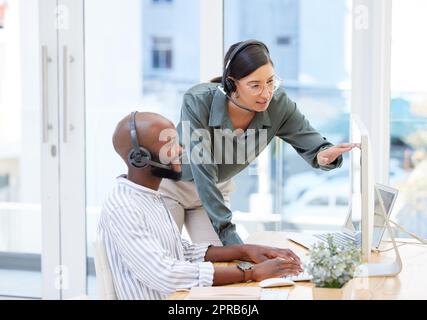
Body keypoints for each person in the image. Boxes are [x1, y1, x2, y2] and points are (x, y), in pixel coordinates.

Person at [159, 39, 356, 246]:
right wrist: (231, 237)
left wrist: (323, 154)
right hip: (175, 187)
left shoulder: (278, 105)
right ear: (232, 83)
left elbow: (310, 140)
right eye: (255, 86)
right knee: (168, 257)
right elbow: (203, 168)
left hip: (214, 191)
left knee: (222, 265)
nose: (266, 93)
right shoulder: (198, 100)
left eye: (270, 82)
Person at [98, 111, 303, 300]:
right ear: (140, 158)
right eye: (169, 144)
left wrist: (245, 251)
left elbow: (180, 251)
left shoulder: (149, 197)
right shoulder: (123, 206)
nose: (180, 150)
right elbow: (166, 273)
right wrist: (252, 273)